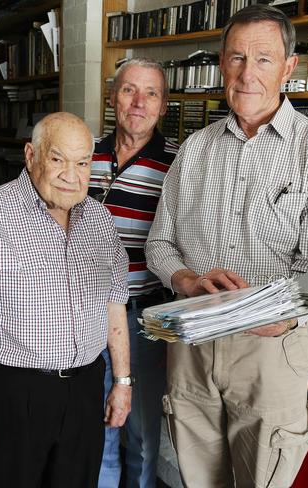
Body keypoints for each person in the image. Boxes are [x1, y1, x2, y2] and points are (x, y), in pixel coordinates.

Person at [146, 5, 308, 487]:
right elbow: (160, 243)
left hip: (269, 353)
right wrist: (186, 279)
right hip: (192, 342)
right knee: (195, 479)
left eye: (263, 59)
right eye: (236, 57)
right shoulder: (194, 149)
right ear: (221, 63)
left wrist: (280, 312)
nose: (246, 73)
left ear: (288, 67)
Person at [0, 112, 132, 488]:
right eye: (57, 159)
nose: (71, 175)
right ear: (31, 156)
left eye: (82, 163)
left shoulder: (99, 218)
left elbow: (115, 303)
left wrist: (122, 382)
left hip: (83, 389)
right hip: (14, 392)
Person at [89, 58, 178, 488]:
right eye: (129, 90)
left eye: (151, 94)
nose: (138, 103)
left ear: (163, 106)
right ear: (113, 97)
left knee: (140, 431)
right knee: (99, 425)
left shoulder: (177, 165)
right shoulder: (85, 152)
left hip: (142, 319)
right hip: (83, 315)